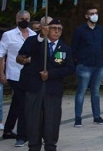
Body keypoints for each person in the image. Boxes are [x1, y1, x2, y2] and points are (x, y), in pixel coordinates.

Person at [17, 17, 75, 151]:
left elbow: (70, 68)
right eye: (54, 28)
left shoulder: (64, 48)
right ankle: (33, 146)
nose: (57, 31)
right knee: (33, 121)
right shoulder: (34, 41)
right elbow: (23, 54)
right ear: (47, 29)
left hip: (52, 89)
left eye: (59, 29)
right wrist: (41, 36)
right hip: (34, 88)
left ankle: (50, 146)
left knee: (52, 122)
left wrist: (51, 74)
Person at [0, 9, 37, 144]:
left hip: (29, 74)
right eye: (21, 19)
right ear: (17, 20)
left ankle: (7, 130)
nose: (24, 21)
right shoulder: (8, 35)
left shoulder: (33, 35)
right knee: (23, 103)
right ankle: (22, 135)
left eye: (26, 18)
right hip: (14, 74)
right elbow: (0, 54)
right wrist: (1, 73)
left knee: (16, 103)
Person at [71, 5, 103, 127]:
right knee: (81, 91)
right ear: (86, 16)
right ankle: (78, 118)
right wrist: (77, 63)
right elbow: (74, 48)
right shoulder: (80, 30)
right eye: (91, 13)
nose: (94, 15)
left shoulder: (100, 29)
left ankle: (97, 116)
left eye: (96, 13)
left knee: (96, 91)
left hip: (98, 64)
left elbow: (102, 44)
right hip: (84, 65)